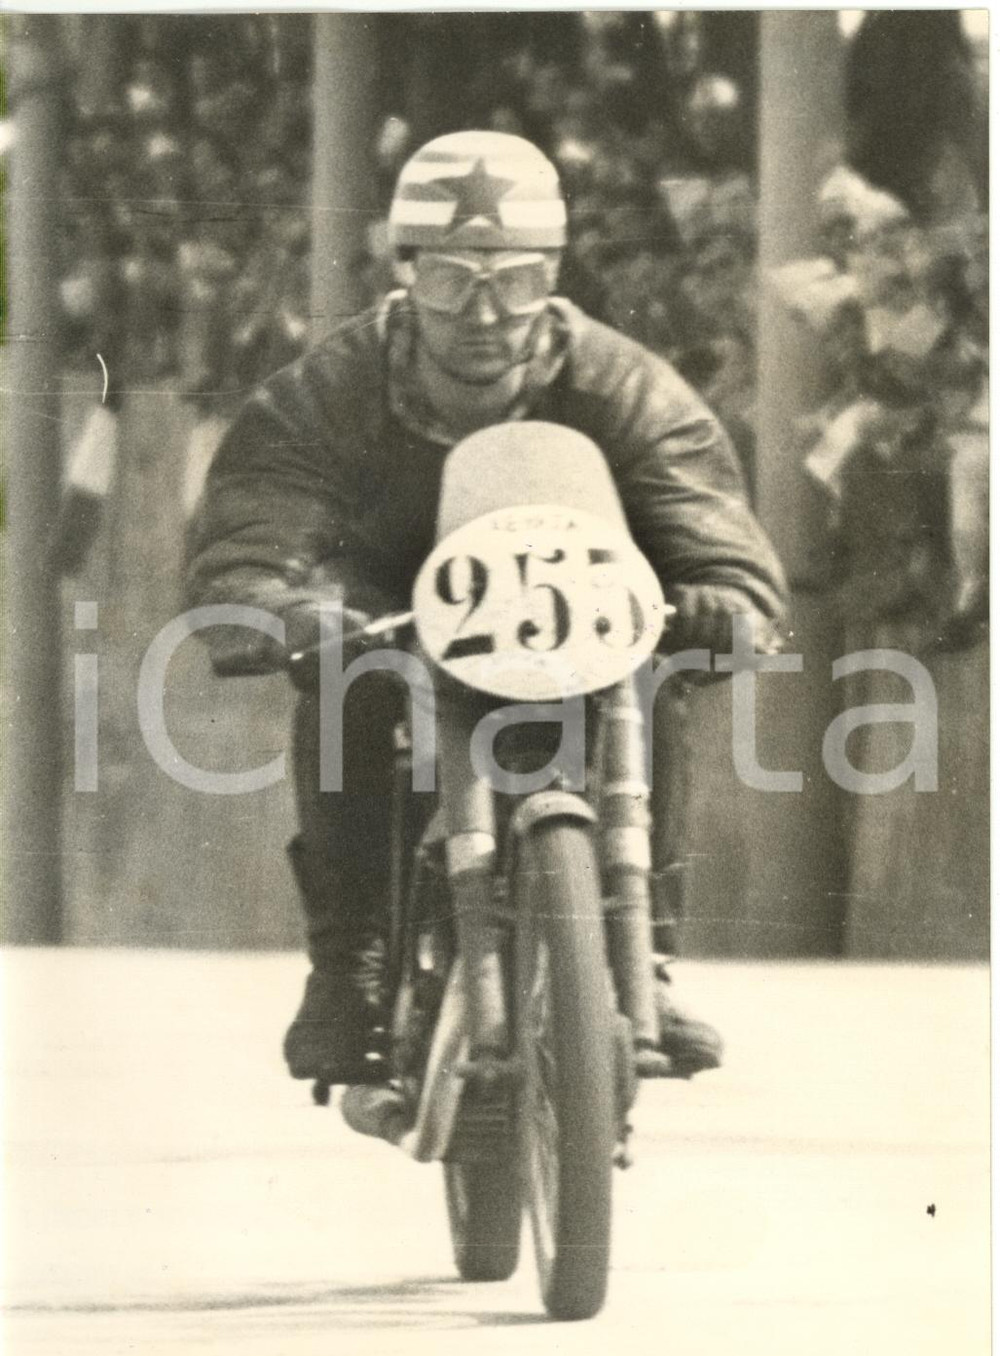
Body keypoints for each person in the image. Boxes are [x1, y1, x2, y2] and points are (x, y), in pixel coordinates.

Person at [184, 130, 787, 1086]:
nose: (482, 313)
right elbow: (259, 515)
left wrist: (726, 592)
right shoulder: (324, 393)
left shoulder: (626, 385)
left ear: (550, 277)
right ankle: (351, 963)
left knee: (650, 664)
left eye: (512, 282)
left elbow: (699, 508)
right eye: (451, 280)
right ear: (405, 273)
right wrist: (273, 601)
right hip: (390, 609)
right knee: (348, 680)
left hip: (570, 605)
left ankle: (645, 954)